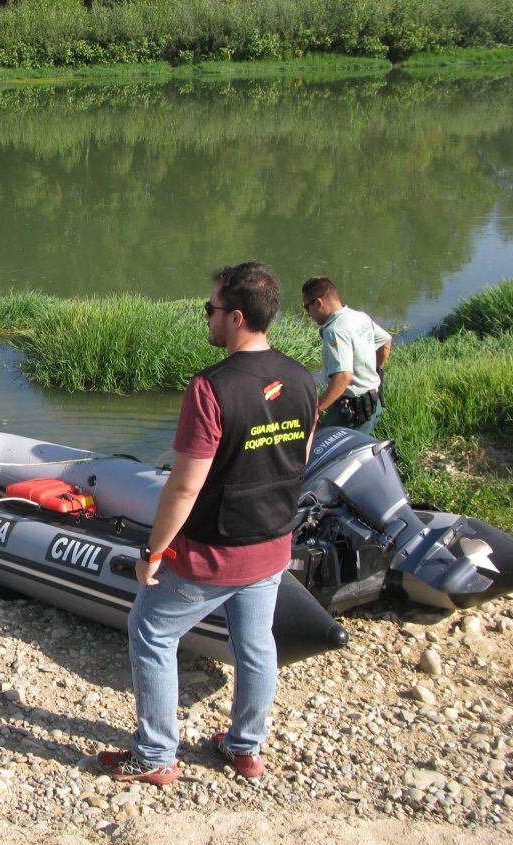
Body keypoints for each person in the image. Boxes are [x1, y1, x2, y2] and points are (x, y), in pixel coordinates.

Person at [98, 262, 317, 786]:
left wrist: (154, 551)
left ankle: (154, 756)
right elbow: (299, 456)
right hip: (272, 544)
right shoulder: (303, 377)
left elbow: (184, 486)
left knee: (150, 630)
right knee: (256, 645)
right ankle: (245, 748)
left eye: (211, 308)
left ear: (236, 316)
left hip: (216, 551)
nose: (207, 317)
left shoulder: (211, 387)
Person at [302, 277, 392, 435]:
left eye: (306, 308)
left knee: (326, 452)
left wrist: (317, 409)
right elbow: (386, 341)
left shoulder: (335, 330)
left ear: (318, 303)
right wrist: (376, 373)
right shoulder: (359, 316)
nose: (309, 315)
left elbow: (343, 376)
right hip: (374, 404)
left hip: (351, 414)